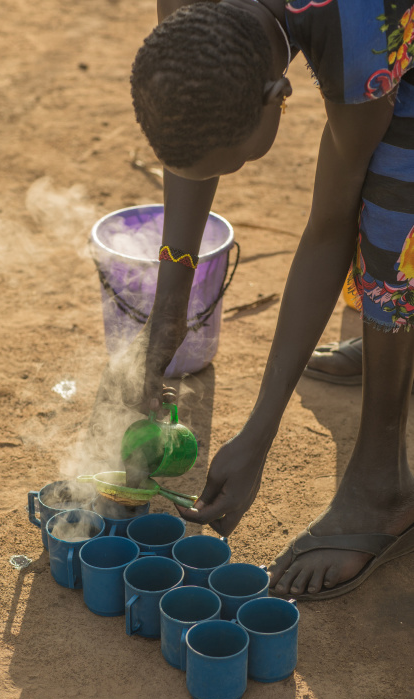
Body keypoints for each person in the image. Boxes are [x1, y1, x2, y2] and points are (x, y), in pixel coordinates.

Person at [127, 0, 414, 599]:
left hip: (383, 22)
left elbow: (331, 224)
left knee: (392, 222)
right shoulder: (187, 15)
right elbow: (189, 141)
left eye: (233, 163)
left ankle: (380, 482)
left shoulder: (361, 40)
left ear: (278, 93)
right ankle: (392, 343)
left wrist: (259, 433)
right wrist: (168, 311)